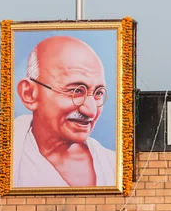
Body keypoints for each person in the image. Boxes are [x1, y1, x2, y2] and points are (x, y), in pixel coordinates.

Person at [13, 35, 116, 188]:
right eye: (76, 91)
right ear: (30, 94)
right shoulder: (9, 156)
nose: (91, 111)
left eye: (98, 93)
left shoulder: (112, 165)